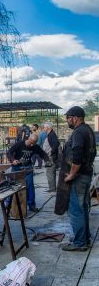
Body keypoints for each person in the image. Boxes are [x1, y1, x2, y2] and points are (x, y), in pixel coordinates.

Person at [60, 106, 95, 251]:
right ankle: (84, 238)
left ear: (75, 118)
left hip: (79, 177)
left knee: (76, 209)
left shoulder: (79, 132)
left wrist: (72, 174)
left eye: (68, 118)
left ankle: (79, 243)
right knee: (83, 207)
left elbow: (78, 155)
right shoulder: (88, 130)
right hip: (87, 174)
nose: (67, 121)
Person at [7, 133, 47, 212]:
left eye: (34, 143)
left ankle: (31, 205)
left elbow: (43, 154)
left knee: (30, 187)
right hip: (16, 168)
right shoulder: (19, 144)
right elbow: (9, 152)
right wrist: (13, 160)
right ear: (28, 138)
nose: (32, 144)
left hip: (28, 168)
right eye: (31, 142)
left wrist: (48, 161)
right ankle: (8, 203)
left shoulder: (35, 146)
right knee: (12, 186)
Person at [42, 122, 59, 192]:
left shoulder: (52, 134)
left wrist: (51, 153)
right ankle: (52, 188)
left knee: (50, 173)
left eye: (44, 127)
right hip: (50, 157)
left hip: (50, 157)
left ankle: (52, 188)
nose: (43, 128)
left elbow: (56, 144)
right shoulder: (50, 134)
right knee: (50, 173)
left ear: (48, 127)